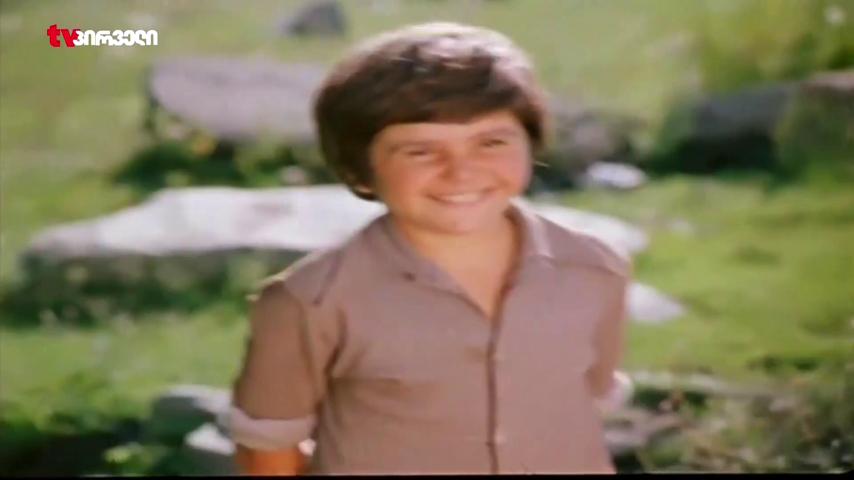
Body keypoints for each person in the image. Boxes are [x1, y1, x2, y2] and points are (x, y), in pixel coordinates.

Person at [228, 21, 634, 475]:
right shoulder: (309, 302)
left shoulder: (595, 269)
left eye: (491, 142)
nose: (461, 172)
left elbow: (585, 406)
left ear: (531, 143)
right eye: (420, 151)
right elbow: (269, 451)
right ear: (360, 170)